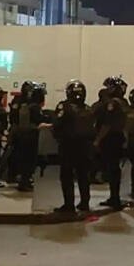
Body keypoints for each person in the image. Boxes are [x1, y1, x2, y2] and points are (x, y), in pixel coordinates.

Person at [52, 80, 94, 213]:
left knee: (67, 176)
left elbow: (57, 125)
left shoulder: (64, 107)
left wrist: (58, 137)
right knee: (83, 176)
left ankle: (69, 205)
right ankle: (85, 202)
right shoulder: (88, 109)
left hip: (68, 146)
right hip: (85, 147)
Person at [94, 77, 129, 209]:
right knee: (114, 169)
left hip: (111, 139)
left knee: (112, 168)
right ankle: (115, 196)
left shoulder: (113, 104)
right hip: (119, 138)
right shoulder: (124, 102)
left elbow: (107, 124)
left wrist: (98, 140)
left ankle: (114, 198)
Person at [10, 82, 50, 192]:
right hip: (30, 137)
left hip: (24, 136)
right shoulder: (34, 107)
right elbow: (39, 120)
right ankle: (24, 182)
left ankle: (24, 181)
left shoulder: (27, 106)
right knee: (29, 161)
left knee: (25, 160)